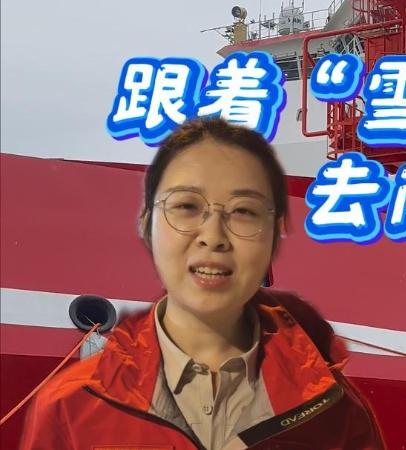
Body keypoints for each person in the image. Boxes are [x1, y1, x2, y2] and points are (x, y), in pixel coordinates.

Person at [19, 118, 385, 450]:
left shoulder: (335, 411)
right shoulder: (68, 407)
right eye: (186, 207)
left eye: (243, 211)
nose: (213, 236)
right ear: (147, 226)